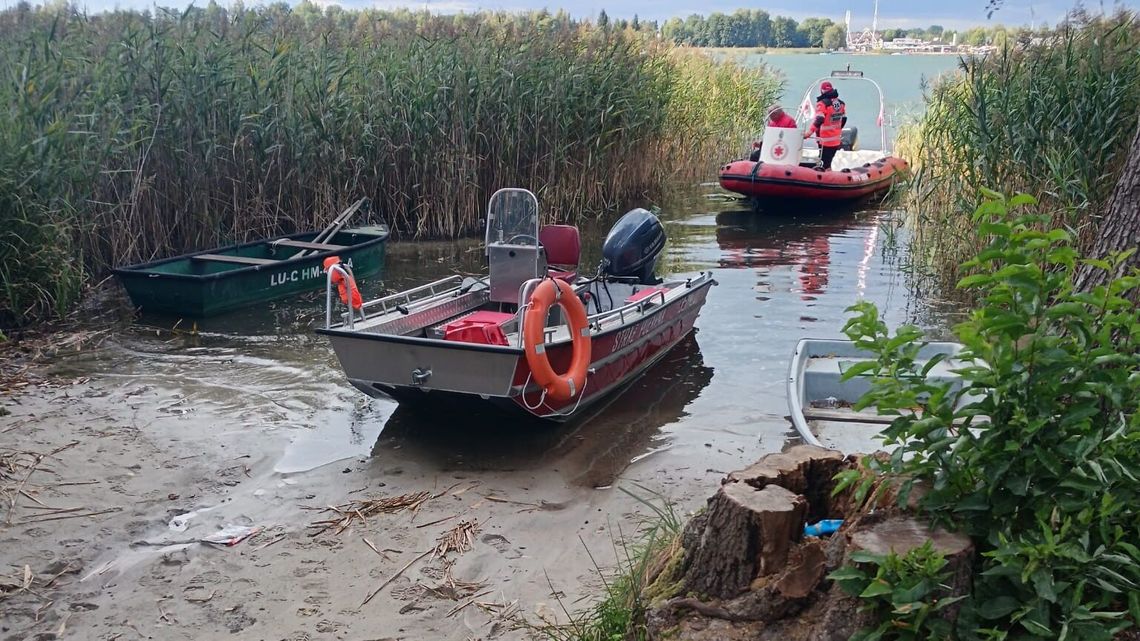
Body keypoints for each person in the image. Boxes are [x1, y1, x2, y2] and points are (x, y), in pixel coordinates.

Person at [804, 81, 847, 170]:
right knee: (828, 162)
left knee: (823, 164)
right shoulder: (841, 103)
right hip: (836, 140)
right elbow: (844, 119)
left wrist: (809, 132)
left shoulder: (822, 104)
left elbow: (820, 119)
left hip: (825, 140)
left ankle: (825, 180)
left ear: (822, 91)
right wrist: (837, 130)